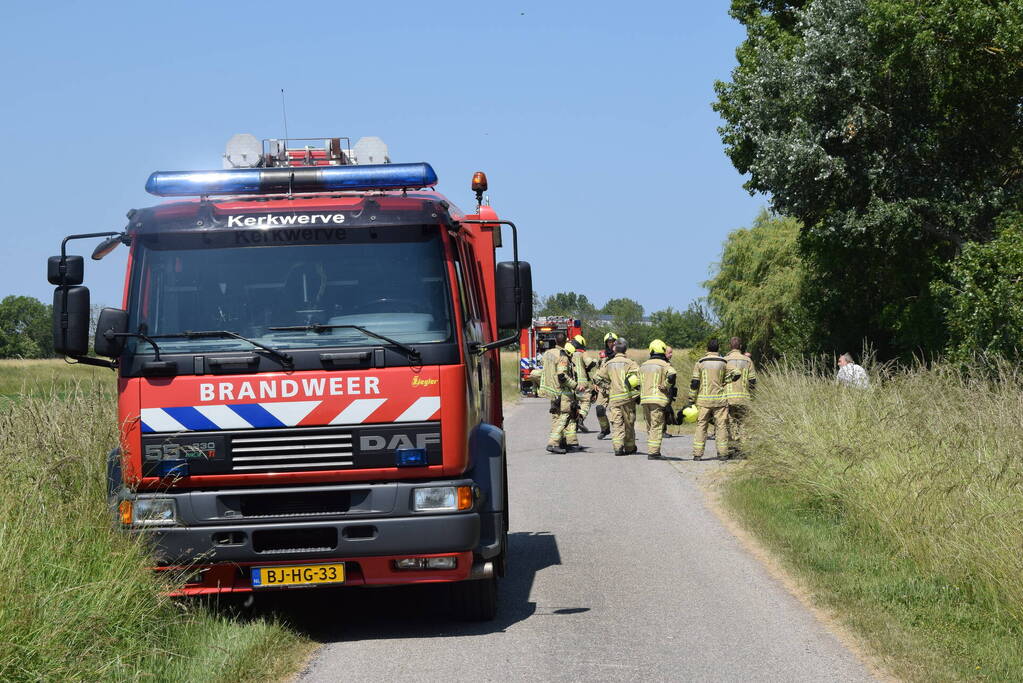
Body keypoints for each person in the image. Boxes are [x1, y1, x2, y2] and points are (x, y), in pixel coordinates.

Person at [592, 338, 640, 455]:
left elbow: (596, 378)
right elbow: (638, 380)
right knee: (629, 423)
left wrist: (608, 387)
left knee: (617, 423)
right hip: (628, 399)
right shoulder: (631, 363)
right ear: (625, 349)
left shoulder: (608, 364)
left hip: (614, 399)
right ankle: (629, 447)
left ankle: (618, 448)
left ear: (615, 349)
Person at [687, 338, 731, 461]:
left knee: (701, 426)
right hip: (720, 400)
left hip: (703, 400)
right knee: (721, 426)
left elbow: (695, 383)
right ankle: (723, 454)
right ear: (718, 348)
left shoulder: (700, 362)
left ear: (707, 348)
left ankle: (697, 454)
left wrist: (691, 399)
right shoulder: (724, 362)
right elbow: (733, 374)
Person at [538, 331, 578, 454]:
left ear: (555, 341)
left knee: (556, 417)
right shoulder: (563, 355)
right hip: (561, 391)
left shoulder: (547, 353)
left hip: (551, 391)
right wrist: (574, 385)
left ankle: (561, 441)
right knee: (564, 416)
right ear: (566, 342)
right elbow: (562, 375)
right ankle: (553, 443)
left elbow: (542, 366)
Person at [639, 339, 677, 459]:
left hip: (645, 400)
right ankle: (654, 453)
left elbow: (635, 381)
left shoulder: (643, 365)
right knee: (656, 426)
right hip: (658, 400)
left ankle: (652, 450)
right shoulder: (664, 364)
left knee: (650, 426)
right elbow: (672, 375)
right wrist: (665, 385)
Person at [724, 337, 756, 458]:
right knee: (743, 423)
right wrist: (752, 396)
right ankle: (744, 450)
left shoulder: (725, 360)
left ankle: (733, 449)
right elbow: (752, 381)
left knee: (731, 422)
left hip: (729, 397)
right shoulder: (748, 361)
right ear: (741, 346)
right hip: (744, 397)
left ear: (729, 346)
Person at [592, 331, 617, 439]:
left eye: (613, 341)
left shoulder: (619, 355)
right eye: (609, 342)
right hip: (603, 387)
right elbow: (598, 370)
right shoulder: (602, 356)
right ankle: (605, 429)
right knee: (599, 409)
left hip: (614, 387)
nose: (611, 343)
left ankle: (619, 432)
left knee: (614, 412)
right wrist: (595, 384)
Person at [570, 335, 595, 433]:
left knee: (573, 404)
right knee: (586, 401)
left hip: (571, 384)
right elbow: (590, 363)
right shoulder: (582, 353)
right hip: (582, 384)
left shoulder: (568, 353)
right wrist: (594, 362)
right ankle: (580, 418)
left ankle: (572, 425)